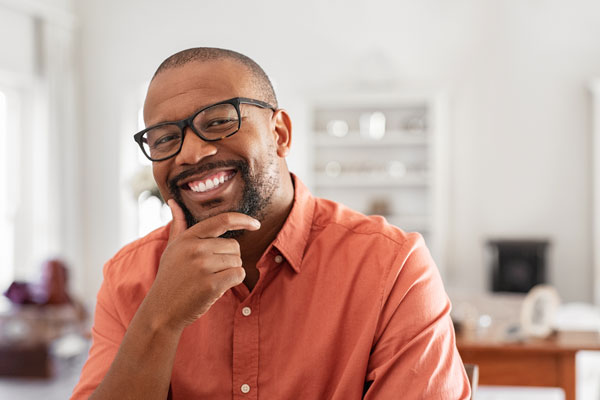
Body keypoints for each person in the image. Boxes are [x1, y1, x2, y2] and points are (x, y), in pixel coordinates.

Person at [71, 47, 470, 399]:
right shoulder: (128, 278)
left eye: (217, 122)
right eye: (163, 139)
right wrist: (159, 318)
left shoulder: (393, 267)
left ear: (279, 133)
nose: (191, 154)